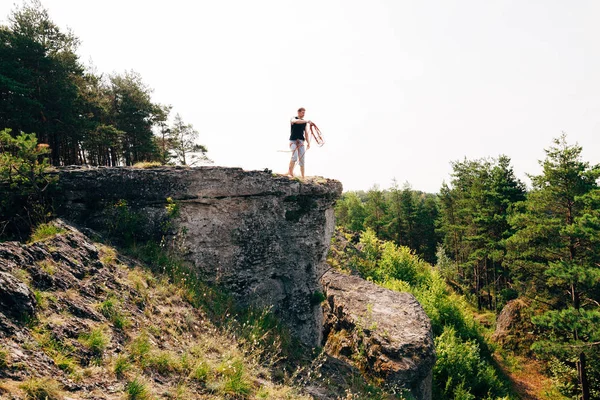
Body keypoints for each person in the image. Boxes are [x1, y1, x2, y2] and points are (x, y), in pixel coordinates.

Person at [288, 107, 311, 178]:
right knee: (294, 157)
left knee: (302, 159)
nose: (304, 114)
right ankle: (290, 173)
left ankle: (303, 176)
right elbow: (296, 121)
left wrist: (308, 143)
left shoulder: (304, 122)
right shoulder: (293, 118)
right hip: (293, 141)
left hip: (301, 141)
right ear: (298, 112)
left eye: (304, 113)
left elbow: (306, 133)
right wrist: (307, 121)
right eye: (302, 112)